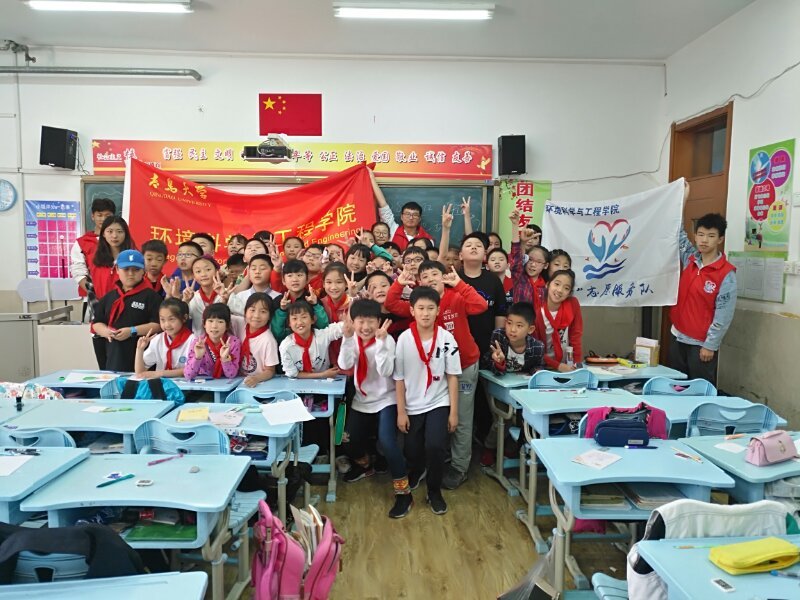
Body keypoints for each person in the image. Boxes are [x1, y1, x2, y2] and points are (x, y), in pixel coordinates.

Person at [386, 260, 487, 490]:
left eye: (435, 274)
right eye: (425, 276)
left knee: (460, 419)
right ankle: (433, 463)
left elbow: (480, 305)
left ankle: (459, 467)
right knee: (437, 423)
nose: (431, 278)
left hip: (464, 366)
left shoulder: (456, 297)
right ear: (419, 282)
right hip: (432, 375)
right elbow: (391, 303)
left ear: (444, 277)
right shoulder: (421, 305)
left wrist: (460, 284)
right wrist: (399, 283)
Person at [338, 300, 411, 515]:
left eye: (371, 321)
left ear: (379, 322)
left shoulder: (387, 340)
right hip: (362, 398)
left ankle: (404, 493)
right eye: (361, 322)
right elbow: (344, 365)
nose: (366, 327)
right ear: (353, 322)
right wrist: (347, 338)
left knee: (387, 442)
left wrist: (380, 343)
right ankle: (366, 466)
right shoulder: (351, 338)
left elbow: (386, 371)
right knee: (346, 439)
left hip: (386, 398)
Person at [394, 286, 461, 515]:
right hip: (412, 403)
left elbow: (452, 376)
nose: (425, 313)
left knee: (435, 445)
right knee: (412, 448)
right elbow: (399, 379)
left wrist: (453, 412)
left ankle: (434, 491)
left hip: (438, 401)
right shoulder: (403, 340)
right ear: (412, 310)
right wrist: (401, 412)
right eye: (420, 308)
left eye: (430, 308)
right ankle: (418, 469)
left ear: (438, 311)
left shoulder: (447, 338)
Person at [669, 203, 736, 385]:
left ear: (720, 239)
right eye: (700, 234)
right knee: (675, 387)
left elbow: (723, 315)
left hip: (700, 345)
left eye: (711, 236)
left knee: (699, 391)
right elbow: (678, 234)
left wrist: (710, 345)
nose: (704, 240)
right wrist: (681, 201)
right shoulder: (690, 259)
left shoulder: (726, 274)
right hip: (677, 336)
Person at [458, 233, 508, 469]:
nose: (474, 248)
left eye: (478, 245)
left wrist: (497, 343)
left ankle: (487, 445)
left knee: (487, 401)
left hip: (487, 347)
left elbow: (500, 313)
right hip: (459, 351)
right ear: (460, 254)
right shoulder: (454, 278)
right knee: (462, 401)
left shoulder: (493, 281)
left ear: (485, 253)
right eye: (468, 245)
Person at [481, 301, 544, 466]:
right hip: (495, 382)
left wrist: (536, 372)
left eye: (519, 325)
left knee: (526, 417)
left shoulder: (537, 347)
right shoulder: (499, 337)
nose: (512, 329)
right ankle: (489, 448)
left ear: (530, 329)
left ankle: (512, 447)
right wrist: (499, 362)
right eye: (509, 323)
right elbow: (488, 363)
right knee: (502, 418)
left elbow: (538, 365)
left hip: (518, 388)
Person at [91, 250, 161, 372]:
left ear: (143, 271)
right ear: (117, 270)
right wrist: (106, 332)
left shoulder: (152, 296)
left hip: (143, 356)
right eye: (126, 269)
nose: (130, 274)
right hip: (114, 354)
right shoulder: (109, 297)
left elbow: (158, 325)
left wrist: (132, 331)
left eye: (136, 270)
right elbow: (97, 322)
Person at [88, 216, 137, 369]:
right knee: (104, 369)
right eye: (110, 231)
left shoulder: (133, 258)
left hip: (125, 320)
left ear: (126, 234)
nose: (114, 236)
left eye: (119, 231)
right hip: (102, 318)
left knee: (126, 369)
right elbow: (93, 288)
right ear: (103, 233)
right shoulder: (96, 259)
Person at [70, 197, 115, 317]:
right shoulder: (82, 243)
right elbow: (78, 272)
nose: (103, 219)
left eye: (107, 215)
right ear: (92, 216)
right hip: (92, 299)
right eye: (99, 215)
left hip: (119, 298)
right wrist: (94, 293)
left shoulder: (121, 241)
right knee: (95, 328)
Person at [370, 168, 433, 251]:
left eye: (415, 215)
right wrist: (371, 178)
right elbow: (383, 205)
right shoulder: (392, 230)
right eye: (407, 214)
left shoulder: (427, 240)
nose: (411, 218)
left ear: (419, 219)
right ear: (401, 217)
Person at [533, 269, 583, 372]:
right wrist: (558, 366)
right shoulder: (537, 313)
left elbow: (576, 337)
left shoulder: (573, 304)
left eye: (566, 288)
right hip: (544, 367)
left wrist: (577, 365)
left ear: (569, 293)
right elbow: (536, 349)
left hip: (568, 366)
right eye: (557, 284)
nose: (560, 290)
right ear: (547, 285)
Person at [278, 300, 343, 379]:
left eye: (304, 317)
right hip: (298, 383)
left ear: (313, 319)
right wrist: (323, 374)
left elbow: (341, 328)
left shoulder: (322, 336)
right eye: (294, 318)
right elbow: (294, 374)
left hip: (324, 383)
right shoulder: (286, 346)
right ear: (289, 323)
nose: (299, 322)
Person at [270, 260, 330, 343]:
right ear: (283, 280)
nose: (295, 279)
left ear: (307, 279)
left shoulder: (312, 300)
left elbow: (323, 327)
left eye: (299, 275)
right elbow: (277, 334)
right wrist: (282, 310)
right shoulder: (278, 302)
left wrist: (315, 305)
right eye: (290, 276)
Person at [134, 298, 192, 379]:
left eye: (171, 319)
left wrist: (161, 373)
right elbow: (140, 373)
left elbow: (192, 370)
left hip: (186, 386)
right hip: (162, 385)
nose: (167, 324)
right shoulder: (157, 340)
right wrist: (140, 350)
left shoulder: (193, 340)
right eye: (162, 320)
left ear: (184, 318)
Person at [184, 303, 241, 379]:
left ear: (227, 325)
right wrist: (197, 357)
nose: (214, 326)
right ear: (204, 324)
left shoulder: (233, 343)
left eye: (220, 322)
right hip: (203, 383)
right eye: (210, 321)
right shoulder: (197, 343)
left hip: (225, 384)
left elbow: (231, 375)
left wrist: (225, 359)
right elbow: (188, 375)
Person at [233, 292, 279, 387]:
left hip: (259, 384)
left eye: (263, 312)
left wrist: (256, 378)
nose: (256, 315)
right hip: (235, 380)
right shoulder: (239, 323)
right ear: (245, 312)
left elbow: (270, 370)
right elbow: (221, 317)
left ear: (270, 316)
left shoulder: (268, 340)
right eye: (252, 310)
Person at [182, 256, 234, 335]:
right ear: (193, 275)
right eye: (198, 271)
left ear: (217, 271)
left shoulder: (228, 293)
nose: (203, 274)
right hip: (199, 341)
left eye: (208, 269)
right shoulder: (191, 297)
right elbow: (180, 320)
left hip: (225, 340)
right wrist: (185, 302)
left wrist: (225, 300)